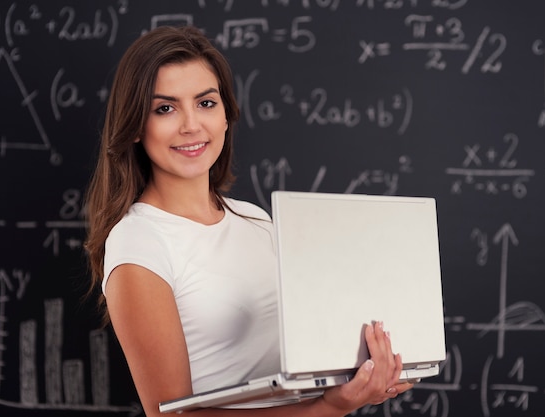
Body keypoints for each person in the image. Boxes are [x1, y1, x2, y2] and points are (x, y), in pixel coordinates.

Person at [84, 25, 413, 417]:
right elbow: (171, 416)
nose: (191, 125)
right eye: (165, 108)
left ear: (226, 115)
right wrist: (331, 407)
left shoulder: (256, 221)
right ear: (137, 126)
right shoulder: (138, 243)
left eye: (206, 103)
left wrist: (364, 375)